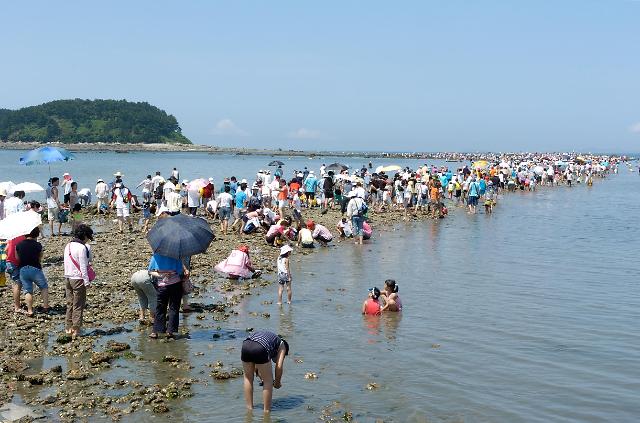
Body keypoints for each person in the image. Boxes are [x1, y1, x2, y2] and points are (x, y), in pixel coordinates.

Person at [241, 330, 289, 413]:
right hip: (261, 347)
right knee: (268, 381)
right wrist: (277, 382)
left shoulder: (271, 339)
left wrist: (261, 377)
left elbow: (257, 365)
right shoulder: (282, 345)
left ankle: (249, 409)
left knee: (248, 378)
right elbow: (279, 366)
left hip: (246, 345)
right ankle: (266, 412)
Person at [63, 224, 94, 339]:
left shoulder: (68, 245)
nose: (87, 240)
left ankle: (68, 327)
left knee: (70, 303)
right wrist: (86, 281)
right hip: (78, 279)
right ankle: (76, 329)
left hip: (68, 277)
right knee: (78, 305)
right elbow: (83, 266)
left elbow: (66, 262)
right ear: (84, 235)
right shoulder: (82, 247)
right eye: (88, 237)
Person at [148, 253, 187, 339]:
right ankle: (170, 331)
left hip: (162, 286)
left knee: (160, 308)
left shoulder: (156, 256)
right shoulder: (175, 256)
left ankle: (155, 332)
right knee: (174, 308)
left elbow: (150, 271)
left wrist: (162, 275)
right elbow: (180, 271)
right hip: (175, 285)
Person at [16, 227, 49, 316]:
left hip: (23, 269)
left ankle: (30, 310)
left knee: (28, 290)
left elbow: (17, 258)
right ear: (36, 234)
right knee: (43, 286)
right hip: (35, 268)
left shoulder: (19, 245)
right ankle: (45, 306)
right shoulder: (37, 245)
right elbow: (40, 256)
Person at [5, 233, 25, 312]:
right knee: (18, 284)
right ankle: (17, 307)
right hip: (18, 262)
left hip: (10, 263)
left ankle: (17, 303)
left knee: (16, 283)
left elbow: (6, 250)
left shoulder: (11, 236)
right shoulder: (24, 237)